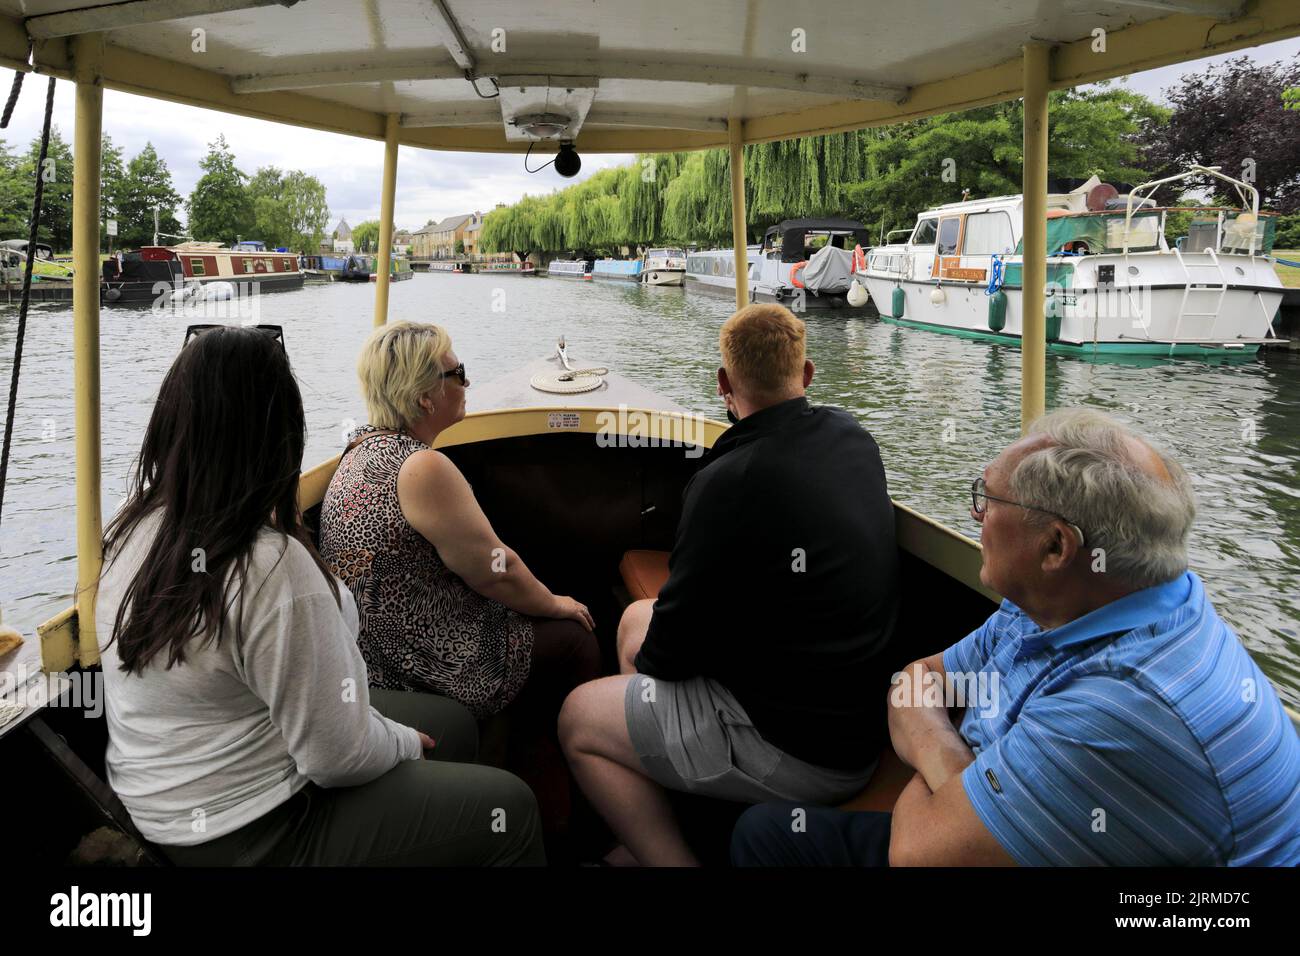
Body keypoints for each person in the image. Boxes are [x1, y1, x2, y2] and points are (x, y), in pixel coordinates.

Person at [732, 408, 1300, 866]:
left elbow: (916, 855)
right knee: (763, 832)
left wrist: (949, 778)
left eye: (987, 500)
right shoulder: (1077, 603)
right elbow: (918, 680)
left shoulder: (1127, 704)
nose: (976, 517)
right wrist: (958, 772)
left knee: (766, 840)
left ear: (1056, 547)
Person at [96, 325, 543, 865]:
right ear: (279, 433)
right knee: (511, 810)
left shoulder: (133, 525)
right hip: (255, 828)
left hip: (163, 800)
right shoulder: (270, 565)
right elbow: (338, 758)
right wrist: (401, 741)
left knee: (452, 725)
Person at [559, 302, 901, 866]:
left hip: (801, 754)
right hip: (858, 721)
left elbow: (668, 657)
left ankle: (671, 855)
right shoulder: (853, 437)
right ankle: (668, 799)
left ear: (723, 383)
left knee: (577, 717)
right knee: (634, 619)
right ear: (808, 374)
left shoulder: (726, 481)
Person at [317, 320, 600, 836]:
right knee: (574, 640)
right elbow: (498, 572)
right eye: (458, 373)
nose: (467, 383)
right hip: (422, 661)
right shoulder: (421, 468)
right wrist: (559, 604)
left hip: (373, 647)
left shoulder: (358, 455)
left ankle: (527, 757)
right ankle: (575, 812)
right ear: (426, 396)